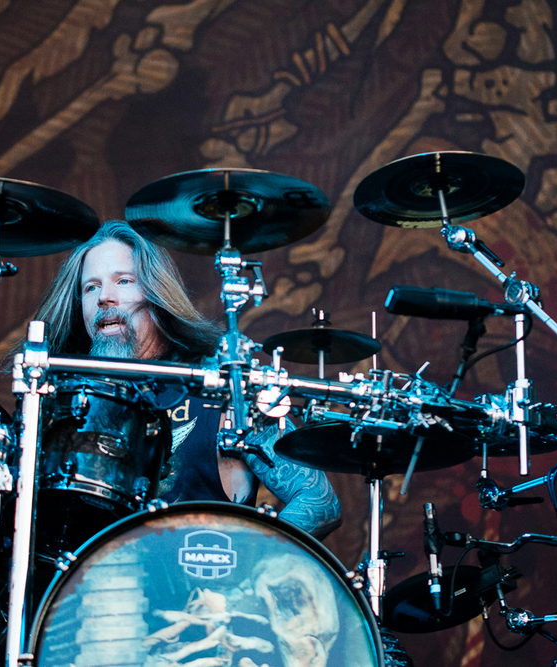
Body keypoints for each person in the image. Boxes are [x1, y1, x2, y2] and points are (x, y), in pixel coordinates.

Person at [32, 220, 342, 540]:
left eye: (123, 281)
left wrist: (248, 562)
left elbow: (319, 502)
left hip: (201, 585)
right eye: (90, 287)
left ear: (157, 293)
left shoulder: (223, 389)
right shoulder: (64, 405)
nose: (104, 297)